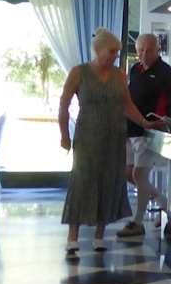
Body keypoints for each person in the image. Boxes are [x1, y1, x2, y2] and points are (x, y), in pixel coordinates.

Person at [59, 29, 157, 257]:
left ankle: (99, 235)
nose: (115, 56)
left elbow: (127, 105)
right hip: (87, 136)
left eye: (117, 52)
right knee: (82, 182)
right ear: (99, 50)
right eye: (112, 51)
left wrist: (144, 122)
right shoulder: (79, 72)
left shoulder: (119, 75)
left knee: (109, 181)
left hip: (114, 137)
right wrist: (64, 135)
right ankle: (73, 237)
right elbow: (64, 105)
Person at [117, 33, 171, 238]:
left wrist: (165, 120)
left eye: (148, 50)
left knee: (139, 175)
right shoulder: (135, 70)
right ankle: (164, 203)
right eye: (140, 50)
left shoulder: (166, 73)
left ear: (157, 50)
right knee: (127, 173)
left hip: (150, 133)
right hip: (131, 129)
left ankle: (137, 222)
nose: (144, 54)